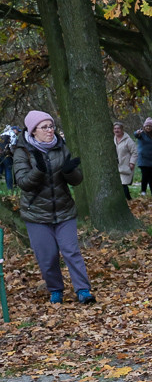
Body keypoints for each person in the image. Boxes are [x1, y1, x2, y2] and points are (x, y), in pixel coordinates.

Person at [12, 110, 95, 304]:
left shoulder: (60, 147)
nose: (50, 131)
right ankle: (56, 290)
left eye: (51, 126)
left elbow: (77, 181)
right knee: (47, 256)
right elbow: (23, 182)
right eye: (45, 127)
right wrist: (39, 170)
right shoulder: (22, 151)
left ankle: (83, 291)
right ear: (33, 131)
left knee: (71, 251)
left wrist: (69, 172)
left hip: (64, 210)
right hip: (36, 215)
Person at [134, 118, 152, 196]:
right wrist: (137, 132)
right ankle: (143, 191)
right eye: (147, 126)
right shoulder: (141, 134)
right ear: (144, 127)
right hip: (143, 159)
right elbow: (135, 134)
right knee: (145, 175)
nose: (148, 127)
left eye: (150, 126)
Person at [112, 122, 137, 202]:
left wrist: (132, 162)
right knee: (118, 184)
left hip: (125, 165)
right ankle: (123, 200)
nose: (116, 130)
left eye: (118, 128)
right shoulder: (112, 139)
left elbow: (134, 152)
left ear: (122, 129)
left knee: (123, 183)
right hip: (116, 165)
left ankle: (129, 199)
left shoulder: (128, 140)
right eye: (115, 129)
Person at [1, 125, 18, 189]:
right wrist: (14, 154)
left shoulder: (2, 134)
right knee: (8, 170)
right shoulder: (12, 135)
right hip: (7, 155)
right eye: (17, 131)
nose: (17, 133)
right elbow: (12, 146)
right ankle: (9, 188)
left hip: (0, 155)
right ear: (14, 130)